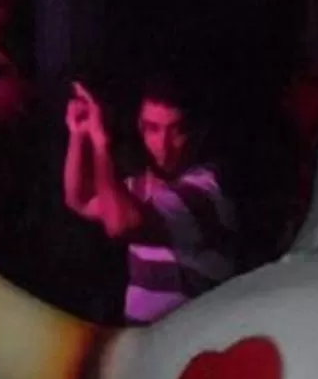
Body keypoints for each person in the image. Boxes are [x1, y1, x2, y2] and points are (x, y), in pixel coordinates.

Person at [62, 72, 237, 324]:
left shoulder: (206, 190)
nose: (163, 146)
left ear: (199, 132)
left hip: (189, 348)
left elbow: (121, 225)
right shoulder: (143, 186)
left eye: (176, 131)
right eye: (152, 129)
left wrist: (101, 145)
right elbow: (79, 199)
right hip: (148, 345)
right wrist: (78, 133)